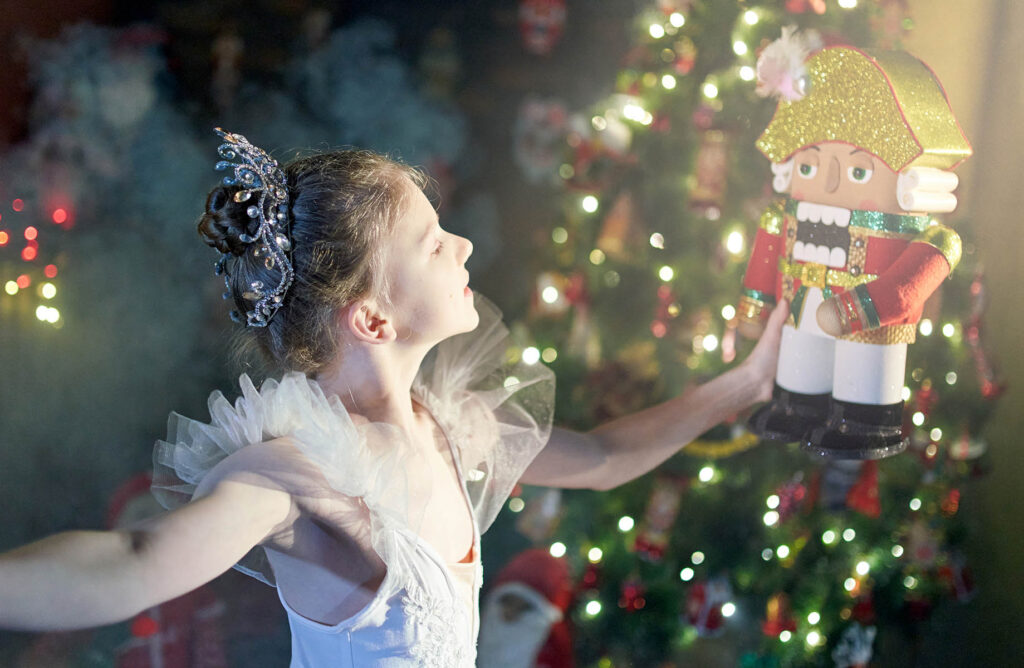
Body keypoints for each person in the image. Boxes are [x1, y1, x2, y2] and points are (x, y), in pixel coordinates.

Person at [0, 130, 787, 667]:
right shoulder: (299, 478)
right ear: (373, 319)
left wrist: (748, 383)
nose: (464, 245)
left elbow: (604, 457)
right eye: (434, 242)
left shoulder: (451, 426)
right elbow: (135, 561)